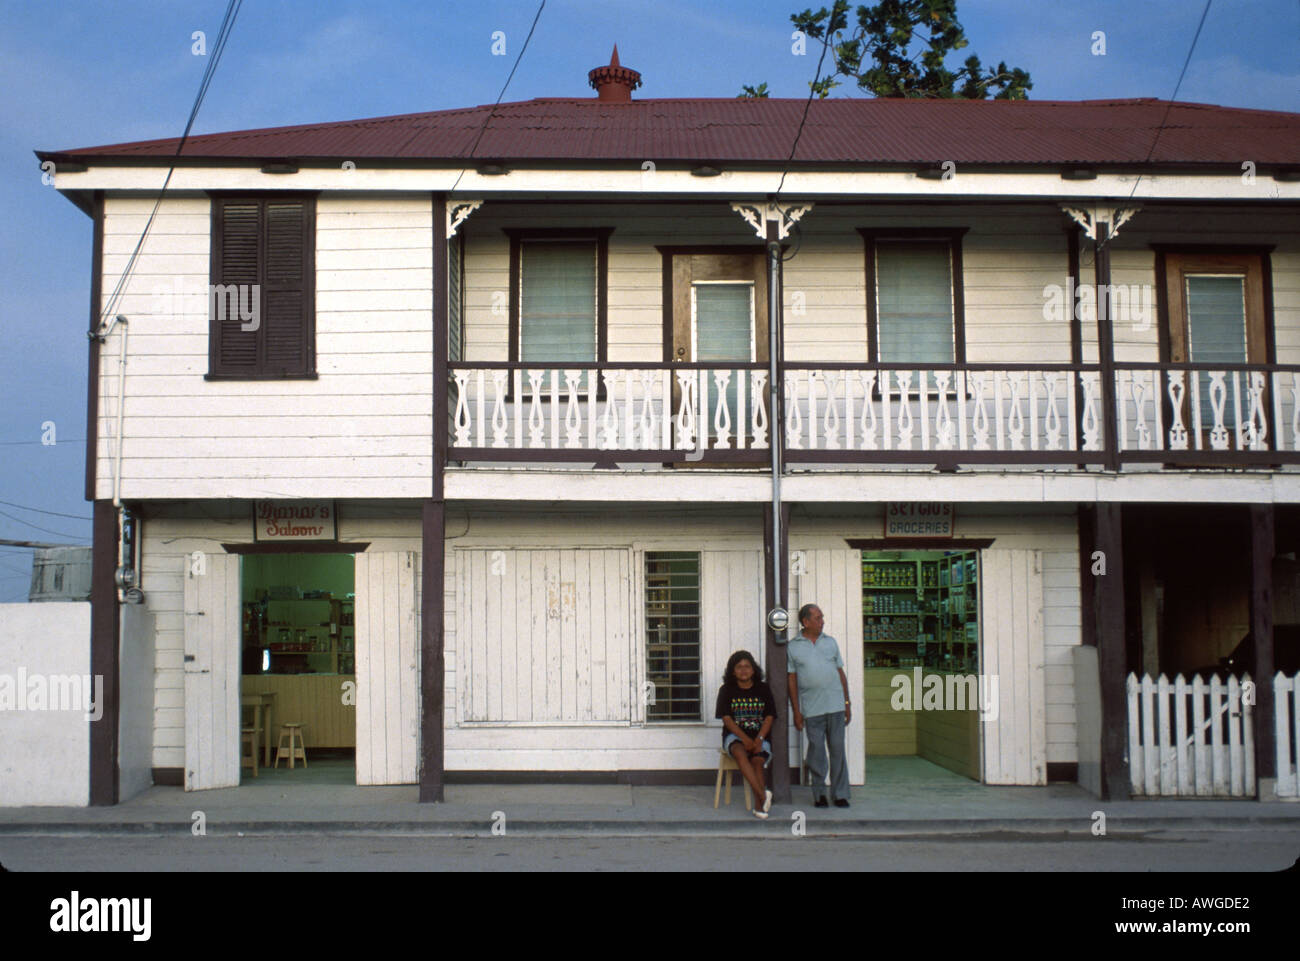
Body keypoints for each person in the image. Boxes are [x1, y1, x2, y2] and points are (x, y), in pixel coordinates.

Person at [787, 603, 851, 807]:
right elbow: (791, 680)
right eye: (818, 618)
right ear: (805, 622)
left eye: (822, 617)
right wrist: (796, 712)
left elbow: (840, 673)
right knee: (816, 752)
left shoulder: (831, 642)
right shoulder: (793, 646)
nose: (822, 621)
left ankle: (840, 794)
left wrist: (847, 702)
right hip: (812, 708)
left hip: (836, 705)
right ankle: (819, 794)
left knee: (838, 750)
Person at [714, 650, 777, 818]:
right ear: (732, 671)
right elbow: (727, 719)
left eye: (747, 666)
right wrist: (745, 739)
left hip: (760, 735)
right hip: (735, 736)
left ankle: (759, 806)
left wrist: (759, 738)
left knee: (757, 760)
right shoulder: (726, 690)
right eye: (739, 667)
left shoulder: (763, 689)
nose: (743, 670)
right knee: (740, 753)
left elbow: (770, 716)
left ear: (754, 670)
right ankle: (763, 795)